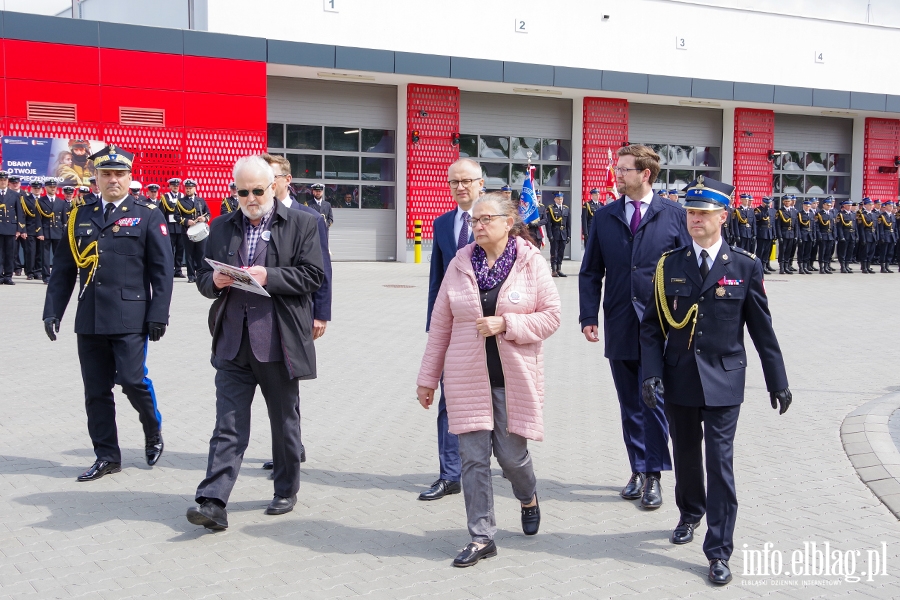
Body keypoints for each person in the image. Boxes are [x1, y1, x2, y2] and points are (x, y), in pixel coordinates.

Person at [640, 175, 792, 586]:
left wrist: (776, 379)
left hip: (725, 381)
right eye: (690, 212)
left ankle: (719, 549)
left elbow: (762, 329)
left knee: (719, 464)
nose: (695, 220)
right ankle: (690, 513)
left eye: (703, 214)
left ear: (723, 216)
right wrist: (651, 373)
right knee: (687, 456)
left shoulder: (744, 265)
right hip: (681, 378)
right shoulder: (669, 264)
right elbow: (652, 327)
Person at [416, 192, 561, 567]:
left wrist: (507, 323)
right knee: (473, 460)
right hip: (466, 378)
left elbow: (551, 317)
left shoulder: (531, 262)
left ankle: (528, 497)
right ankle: (482, 537)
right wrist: (428, 377)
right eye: (475, 221)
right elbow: (440, 325)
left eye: (486, 220)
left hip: (512, 380)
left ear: (508, 221)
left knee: (512, 458)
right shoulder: (461, 263)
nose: (477, 226)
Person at [188, 155, 324, 530]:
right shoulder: (221, 227)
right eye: (242, 191)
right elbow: (202, 276)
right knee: (228, 424)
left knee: (283, 421)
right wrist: (212, 283)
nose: (250, 198)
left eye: (257, 191)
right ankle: (213, 500)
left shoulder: (302, 223)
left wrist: (270, 276)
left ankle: (285, 488)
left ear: (274, 187)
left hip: (278, 341)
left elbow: (314, 275)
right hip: (233, 341)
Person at [42, 145, 173, 481]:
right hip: (90, 316)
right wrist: (52, 310)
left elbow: (162, 271)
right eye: (106, 174)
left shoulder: (147, 213)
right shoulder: (79, 215)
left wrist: (159, 314)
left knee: (131, 380)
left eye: (119, 173)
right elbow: (64, 269)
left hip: (130, 316)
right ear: (95, 178)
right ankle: (107, 456)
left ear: (130, 177)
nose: (113, 179)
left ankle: (152, 427)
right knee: (96, 390)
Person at [578, 144, 690, 509]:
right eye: (617, 168)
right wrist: (588, 316)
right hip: (620, 322)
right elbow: (591, 270)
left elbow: (689, 272)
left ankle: (655, 475)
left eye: (624, 169)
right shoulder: (605, 216)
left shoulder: (674, 215)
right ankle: (638, 469)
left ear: (645, 174)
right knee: (629, 403)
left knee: (653, 400)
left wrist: (685, 320)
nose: (617, 174)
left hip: (661, 327)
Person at [258, 152, 334, 471]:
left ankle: (291, 447)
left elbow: (323, 269)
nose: (263, 184)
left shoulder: (310, 218)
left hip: (297, 310)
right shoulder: (256, 214)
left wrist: (321, 313)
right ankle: (291, 446)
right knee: (279, 381)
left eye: (269, 177)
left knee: (290, 379)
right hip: (261, 313)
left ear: (286, 180)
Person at [420, 157, 481, 502]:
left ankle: (490, 460)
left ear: (480, 183)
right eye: (454, 182)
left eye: (467, 181)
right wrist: (434, 327)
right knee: (449, 398)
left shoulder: (497, 219)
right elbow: (437, 279)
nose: (460, 187)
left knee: (494, 397)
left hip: (491, 327)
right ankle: (450, 473)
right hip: (454, 328)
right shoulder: (443, 224)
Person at [177, 180, 210, 283]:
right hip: (187, 231)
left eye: (190, 188)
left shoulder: (200, 201)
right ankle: (191, 276)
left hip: (200, 231)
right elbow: (176, 216)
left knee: (201, 253)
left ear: (195, 188)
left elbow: (208, 213)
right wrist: (187, 221)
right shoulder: (181, 201)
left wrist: (204, 219)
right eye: (187, 188)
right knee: (189, 254)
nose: (188, 190)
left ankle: (201, 274)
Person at [37, 182, 69, 283]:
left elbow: (64, 220)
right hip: (46, 231)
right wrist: (39, 232)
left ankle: (57, 275)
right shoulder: (41, 201)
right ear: (46, 188)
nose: (52, 189)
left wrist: (64, 233)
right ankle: (46, 276)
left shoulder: (61, 202)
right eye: (50, 187)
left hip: (57, 231)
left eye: (54, 187)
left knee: (58, 255)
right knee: (45, 256)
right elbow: (38, 219)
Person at [161, 178, 187, 278]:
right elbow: (162, 214)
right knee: (170, 250)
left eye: (177, 185)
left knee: (180, 250)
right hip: (170, 227)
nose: (175, 187)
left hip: (180, 227)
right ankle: (169, 270)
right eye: (173, 185)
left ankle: (178, 270)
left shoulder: (182, 197)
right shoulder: (165, 198)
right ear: (170, 186)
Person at [0, 171, 23, 285]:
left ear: (7, 181)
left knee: (10, 253)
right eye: (1, 180)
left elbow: (20, 212)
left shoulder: (14, 195)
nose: (3, 182)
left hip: (10, 227)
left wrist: (20, 228)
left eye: (4, 180)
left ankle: (8, 276)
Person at [23, 181, 44, 280]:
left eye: (38, 188)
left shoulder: (43, 200)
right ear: (31, 189)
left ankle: (38, 271)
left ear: (41, 189)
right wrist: (23, 229)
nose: (36, 190)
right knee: (31, 251)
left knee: (40, 251)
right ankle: (29, 272)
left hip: (41, 230)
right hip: (30, 228)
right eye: (35, 188)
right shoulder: (26, 199)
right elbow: (23, 216)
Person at [546, 192, 570, 277]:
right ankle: (554, 270)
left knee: (561, 252)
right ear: (555, 199)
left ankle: (559, 269)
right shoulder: (551, 208)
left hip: (563, 233)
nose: (560, 200)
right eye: (558, 199)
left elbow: (568, 224)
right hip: (555, 233)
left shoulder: (566, 208)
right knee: (554, 252)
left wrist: (568, 235)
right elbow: (548, 224)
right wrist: (550, 235)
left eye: (561, 199)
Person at [775, 195, 798, 274]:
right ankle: (781, 267)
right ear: (783, 202)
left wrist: (796, 235)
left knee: (789, 251)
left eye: (789, 201)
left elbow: (796, 225)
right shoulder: (780, 211)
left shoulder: (794, 211)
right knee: (782, 251)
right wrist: (779, 236)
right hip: (784, 233)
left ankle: (786, 266)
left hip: (791, 233)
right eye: (786, 201)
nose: (787, 203)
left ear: (791, 202)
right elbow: (778, 225)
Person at [754, 197, 776, 273]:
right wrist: (765, 209)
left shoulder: (771, 211)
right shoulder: (758, 209)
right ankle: (758, 267)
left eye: (769, 203)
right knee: (760, 251)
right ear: (763, 203)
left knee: (767, 251)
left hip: (769, 233)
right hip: (762, 233)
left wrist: (774, 233)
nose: (768, 204)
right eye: (767, 203)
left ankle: (764, 266)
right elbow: (759, 218)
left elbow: (772, 223)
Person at [857, 198, 878, 273]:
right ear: (865, 205)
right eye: (869, 205)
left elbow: (876, 227)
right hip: (866, 235)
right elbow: (861, 228)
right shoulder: (862, 215)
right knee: (865, 252)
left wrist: (877, 236)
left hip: (872, 236)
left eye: (872, 205)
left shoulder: (873, 214)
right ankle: (864, 267)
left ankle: (868, 266)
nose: (871, 206)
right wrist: (863, 238)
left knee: (871, 252)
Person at [815, 197, 835, 274]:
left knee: (828, 252)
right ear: (823, 205)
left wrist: (834, 235)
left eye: (830, 205)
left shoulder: (831, 213)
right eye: (827, 205)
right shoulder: (819, 214)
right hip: (823, 235)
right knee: (822, 251)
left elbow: (833, 226)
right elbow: (817, 226)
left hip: (830, 235)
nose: (829, 206)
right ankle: (821, 267)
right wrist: (819, 235)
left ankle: (826, 266)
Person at [796, 199, 816, 274]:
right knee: (801, 251)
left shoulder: (811, 214)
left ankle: (805, 266)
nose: (807, 207)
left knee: (808, 251)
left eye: (809, 206)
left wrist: (814, 237)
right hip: (803, 234)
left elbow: (813, 226)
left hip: (810, 235)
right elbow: (798, 227)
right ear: (803, 206)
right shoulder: (800, 214)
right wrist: (799, 237)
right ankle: (801, 267)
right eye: (806, 206)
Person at [877, 200, 896, 273]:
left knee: (890, 252)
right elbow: (881, 228)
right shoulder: (882, 216)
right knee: (884, 252)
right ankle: (883, 267)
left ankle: (887, 266)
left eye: (892, 206)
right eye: (890, 206)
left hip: (892, 236)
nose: (891, 208)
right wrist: (882, 237)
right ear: (886, 207)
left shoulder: (893, 216)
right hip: (885, 236)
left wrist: (896, 236)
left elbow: (895, 228)